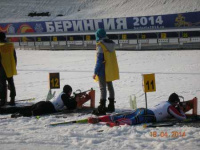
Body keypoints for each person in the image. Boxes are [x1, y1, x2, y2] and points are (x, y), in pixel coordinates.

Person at [88, 93, 187, 127]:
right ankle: (117, 123)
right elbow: (181, 117)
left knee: (122, 115)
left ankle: (99, 119)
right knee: (132, 121)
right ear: (174, 102)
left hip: (143, 110)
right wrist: (181, 110)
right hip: (149, 115)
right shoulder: (170, 107)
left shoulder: (164, 102)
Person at [0, 85, 77, 117]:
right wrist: (76, 100)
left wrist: (73, 99)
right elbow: (70, 106)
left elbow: (68, 101)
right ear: (68, 91)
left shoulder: (63, 94)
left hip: (44, 104)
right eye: (70, 92)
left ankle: (4, 111)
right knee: (33, 113)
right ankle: (18, 114)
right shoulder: (64, 96)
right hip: (47, 107)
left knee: (24, 108)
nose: (70, 93)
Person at [92, 28, 119, 115]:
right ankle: (111, 106)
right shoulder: (110, 43)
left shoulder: (101, 45)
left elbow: (99, 60)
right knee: (110, 87)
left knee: (102, 88)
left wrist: (95, 72)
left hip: (102, 70)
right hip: (109, 69)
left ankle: (102, 107)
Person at [0, 32, 17, 106]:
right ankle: (12, 99)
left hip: (2, 68)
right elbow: (14, 57)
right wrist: (14, 66)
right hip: (10, 67)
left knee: (2, 84)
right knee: (11, 83)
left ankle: (3, 100)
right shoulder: (10, 45)